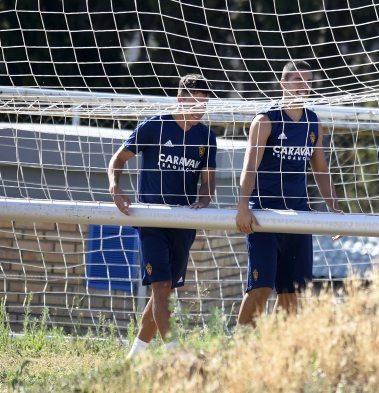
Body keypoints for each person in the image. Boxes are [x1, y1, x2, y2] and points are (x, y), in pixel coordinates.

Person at [108, 73, 217, 359]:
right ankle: (176, 353)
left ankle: (133, 360)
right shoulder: (153, 126)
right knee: (161, 286)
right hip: (152, 220)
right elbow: (118, 159)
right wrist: (115, 187)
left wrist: (204, 198)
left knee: (164, 293)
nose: (199, 108)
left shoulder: (206, 136)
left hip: (183, 221)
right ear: (180, 99)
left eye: (204, 103)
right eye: (195, 102)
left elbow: (208, 180)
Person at [235, 61, 340, 324]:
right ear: (283, 83)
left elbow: (320, 169)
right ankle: (242, 346)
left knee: (293, 293)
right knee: (260, 288)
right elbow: (250, 166)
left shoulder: (313, 123)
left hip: (298, 217)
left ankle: (277, 353)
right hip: (264, 216)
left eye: (307, 81)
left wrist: (334, 207)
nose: (303, 86)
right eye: (296, 80)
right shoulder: (265, 120)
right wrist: (243, 206)